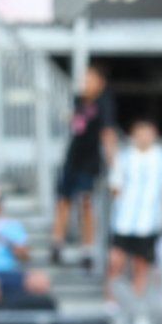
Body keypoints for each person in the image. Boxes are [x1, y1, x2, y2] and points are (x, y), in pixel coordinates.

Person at [107, 117, 162, 314]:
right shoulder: (124, 157)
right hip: (124, 221)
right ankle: (111, 302)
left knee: (141, 264)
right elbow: (115, 187)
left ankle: (136, 304)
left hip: (150, 221)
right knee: (115, 261)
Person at [52, 63, 118, 269]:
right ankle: (57, 243)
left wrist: (114, 167)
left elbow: (108, 134)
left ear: (100, 81)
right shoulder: (79, 100)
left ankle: (87, 248)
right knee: (64, 200)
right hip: (73, 157)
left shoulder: (104, 103)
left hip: (90, 160)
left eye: (89, 78)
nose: (85, 82)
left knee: (86, 202)